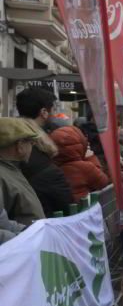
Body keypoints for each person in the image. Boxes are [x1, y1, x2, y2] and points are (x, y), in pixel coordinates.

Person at [15, 87, 72, 217]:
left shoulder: (8, 144)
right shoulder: (44, 165)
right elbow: (66, 208)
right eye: (53, 110)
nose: (54, 114)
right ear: (44, 112)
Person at [0, 118, 45, 226]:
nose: (32, 147)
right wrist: (22, 234)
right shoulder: (3, 174)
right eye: (31, 142)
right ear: (20, 145)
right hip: (23, 241)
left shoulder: (10, 169)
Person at [51, 125, 110, 202]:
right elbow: (103, 181)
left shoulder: (51, 167)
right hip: (83, 208)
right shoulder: (85, 167)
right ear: (80, 143)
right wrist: (90, 158)